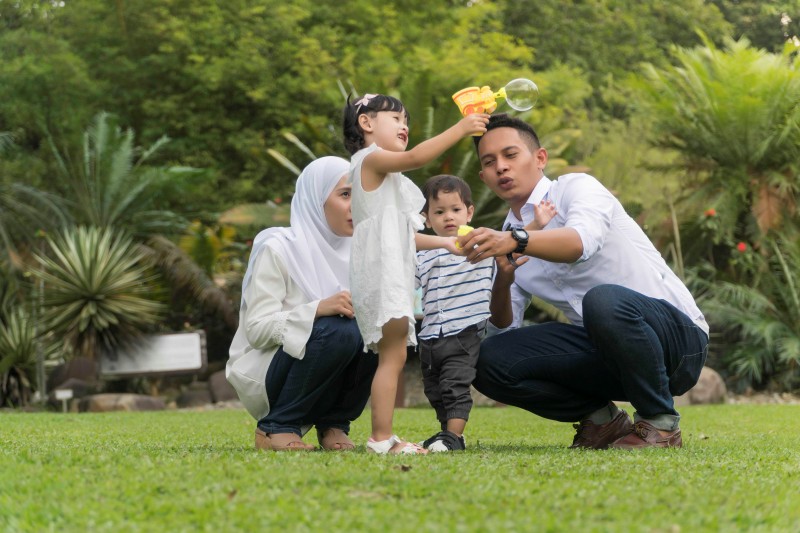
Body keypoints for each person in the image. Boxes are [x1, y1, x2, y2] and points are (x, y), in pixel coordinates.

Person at [458, 114, 709, 449]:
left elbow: (580, 243)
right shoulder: (504, 239)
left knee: (603, 300)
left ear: (540, 158)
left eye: (510, 155)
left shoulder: (577, 188)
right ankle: (603, 421)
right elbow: (505, 327)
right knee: (488, 359)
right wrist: (503, 280)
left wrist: (517, 240)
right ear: (483, 176)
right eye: (490, 162)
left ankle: (660, 424)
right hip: (611, 354)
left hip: (678, 342)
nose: (501, 167)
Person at [342, 93, 489, 454]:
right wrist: (461, 127)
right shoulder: (371, 159)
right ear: (367, 123)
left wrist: (444, 245)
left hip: (384, 272)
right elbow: (415, 157)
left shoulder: (380, 175)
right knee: (391, 358)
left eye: (406, 120)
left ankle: (383, 436)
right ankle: (381, 439)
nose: (405, 126)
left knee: (391, 357)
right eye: (396, 119)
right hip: (382, 275)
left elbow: (402, 236)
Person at [226, 156, 378, 452]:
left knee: (376, 330)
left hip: (320, 367)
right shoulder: (279, 248)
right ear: (316, 199)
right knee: (339, 329)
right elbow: (256, 330)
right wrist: (317, 309)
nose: (355, 205)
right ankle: (276, 426)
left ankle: (334, 423)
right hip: (266, 371)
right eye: (345, 194)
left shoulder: (359, 249)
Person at [415, 174, 556, 452]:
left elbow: (510, 243)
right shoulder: (423, 254)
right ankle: (450, 436)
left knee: (455, 385)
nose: (448, 217)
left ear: (469, 212)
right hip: (431, 334)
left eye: (455, 210)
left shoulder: (479, 245)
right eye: (439, 212)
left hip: (464, 332)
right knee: (435, 390)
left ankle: (453, 437)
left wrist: (537, 223)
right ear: (427, 219)